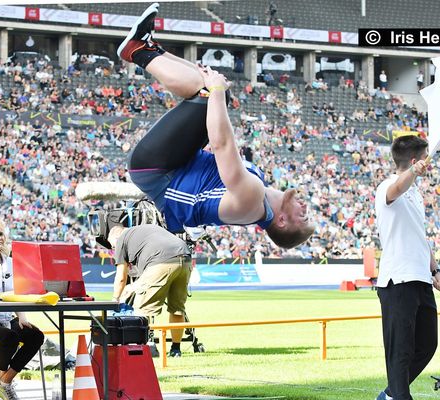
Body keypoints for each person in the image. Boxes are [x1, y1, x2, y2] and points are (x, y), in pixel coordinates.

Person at [117, 2, 314, 249]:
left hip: (158, 170)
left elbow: (220, 145)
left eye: (303, 216)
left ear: (282, 221)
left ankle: (138, 51)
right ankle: (151, 48)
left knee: (210, 94)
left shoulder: (251, 200)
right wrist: (218, 89)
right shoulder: (257, 193)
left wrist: (217, 89)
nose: (306, 207)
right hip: (175, 165)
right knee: (215, 94)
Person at [374, 136, 440, 400]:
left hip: (421, 279)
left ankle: (391, 393)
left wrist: (435, 269)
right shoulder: (387, 187)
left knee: (428, 344)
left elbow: (420, 236)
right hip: (398, 282)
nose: (429, 162)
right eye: (425, 157)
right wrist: (412, 173)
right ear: (416, 161)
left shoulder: (416, 194)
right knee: (400, 352)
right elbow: (395, 190)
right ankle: (398, 395)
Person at [0, 216, 45, 400]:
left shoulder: (11, 262)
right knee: (10, 337)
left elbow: (17, 293)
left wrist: (22, 317)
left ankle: (4, 380)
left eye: (1, 233)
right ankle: (2, 376)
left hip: (6, 319)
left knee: (36, 336)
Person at [108, 224, 192, 357]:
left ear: (116, 239)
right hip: (185, 257)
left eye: (113, 247)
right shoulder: (143, 230)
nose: (114, 250)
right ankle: (176, 350)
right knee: (177, 309)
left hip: (161, 261)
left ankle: (144, 348)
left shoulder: (121, 239)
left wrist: (115, 300)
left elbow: (121, 277)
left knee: (142, 308)